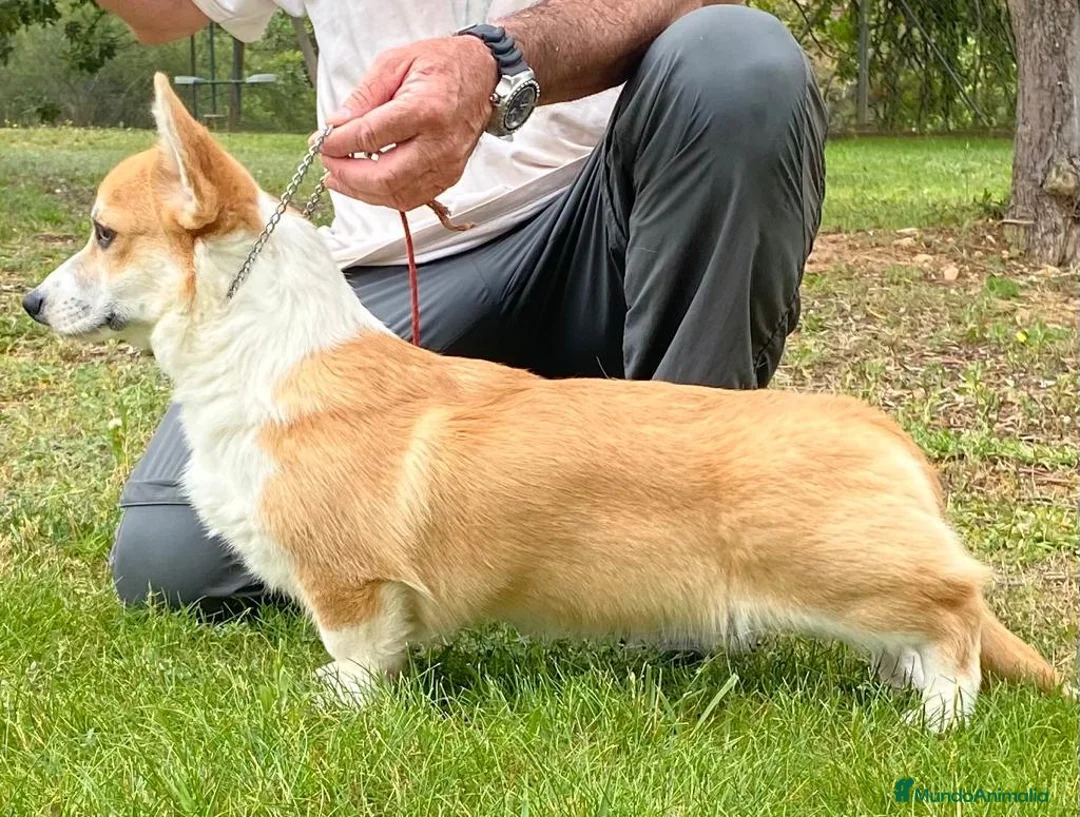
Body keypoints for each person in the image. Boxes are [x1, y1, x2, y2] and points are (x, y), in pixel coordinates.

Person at [98, 0, 827, 615]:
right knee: (172, 560)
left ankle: (690, 546)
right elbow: (160, 14)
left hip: (603, 231)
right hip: (386, 276)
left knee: (738, 60)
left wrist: (497, 62)